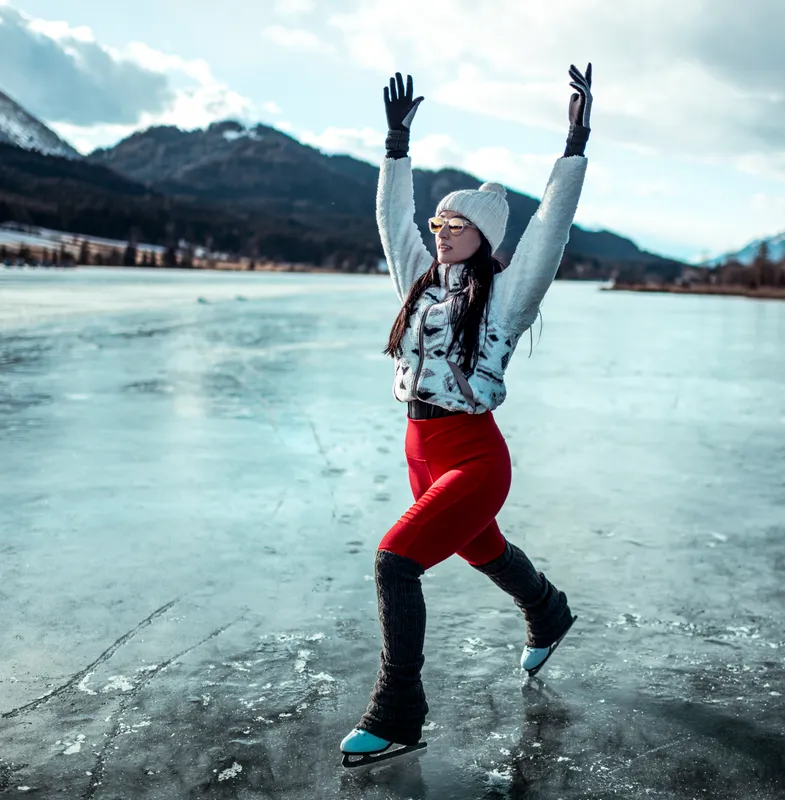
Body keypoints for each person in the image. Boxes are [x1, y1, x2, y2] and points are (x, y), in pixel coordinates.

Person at [340, 64, 594, 768]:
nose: (440, 231)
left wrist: (574, 146)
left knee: (395, 562)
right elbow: (393, 222)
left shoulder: (508, 296)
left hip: (474, 456)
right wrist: (396, 148)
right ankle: (548, 610)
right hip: (418, 446)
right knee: (483, 551)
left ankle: (398, 713)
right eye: (437, 222)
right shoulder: (420, 283)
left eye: (454, 225)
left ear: (480, 235)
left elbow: (550, 224)